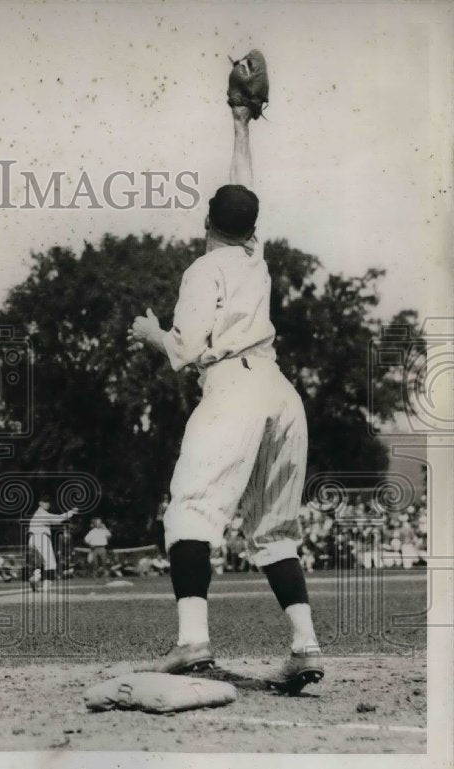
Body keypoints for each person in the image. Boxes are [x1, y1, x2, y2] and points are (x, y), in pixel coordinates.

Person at [127, 80, 323, 692]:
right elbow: (245, 190)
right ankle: (305, 646)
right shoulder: (253, 260)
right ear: (249, 226)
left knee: (190, 510)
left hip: (232, 391)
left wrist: (150, 332)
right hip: (280, 393)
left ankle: (192, 641)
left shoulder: (203, 268)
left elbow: (184, 353)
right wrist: (241, 123)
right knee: (273, 531)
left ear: (206, 220)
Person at [25, 499, 77, 590]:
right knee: (50, 563)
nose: (47, 504)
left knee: (39, 563)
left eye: (48, 501)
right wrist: (71, 512)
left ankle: (35, 578)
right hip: (41, 537)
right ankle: (46, 586)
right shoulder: (42, 514)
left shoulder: (37, 514)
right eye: (45, 501)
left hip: (32, 539)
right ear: (40, 503)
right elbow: (59, 519)